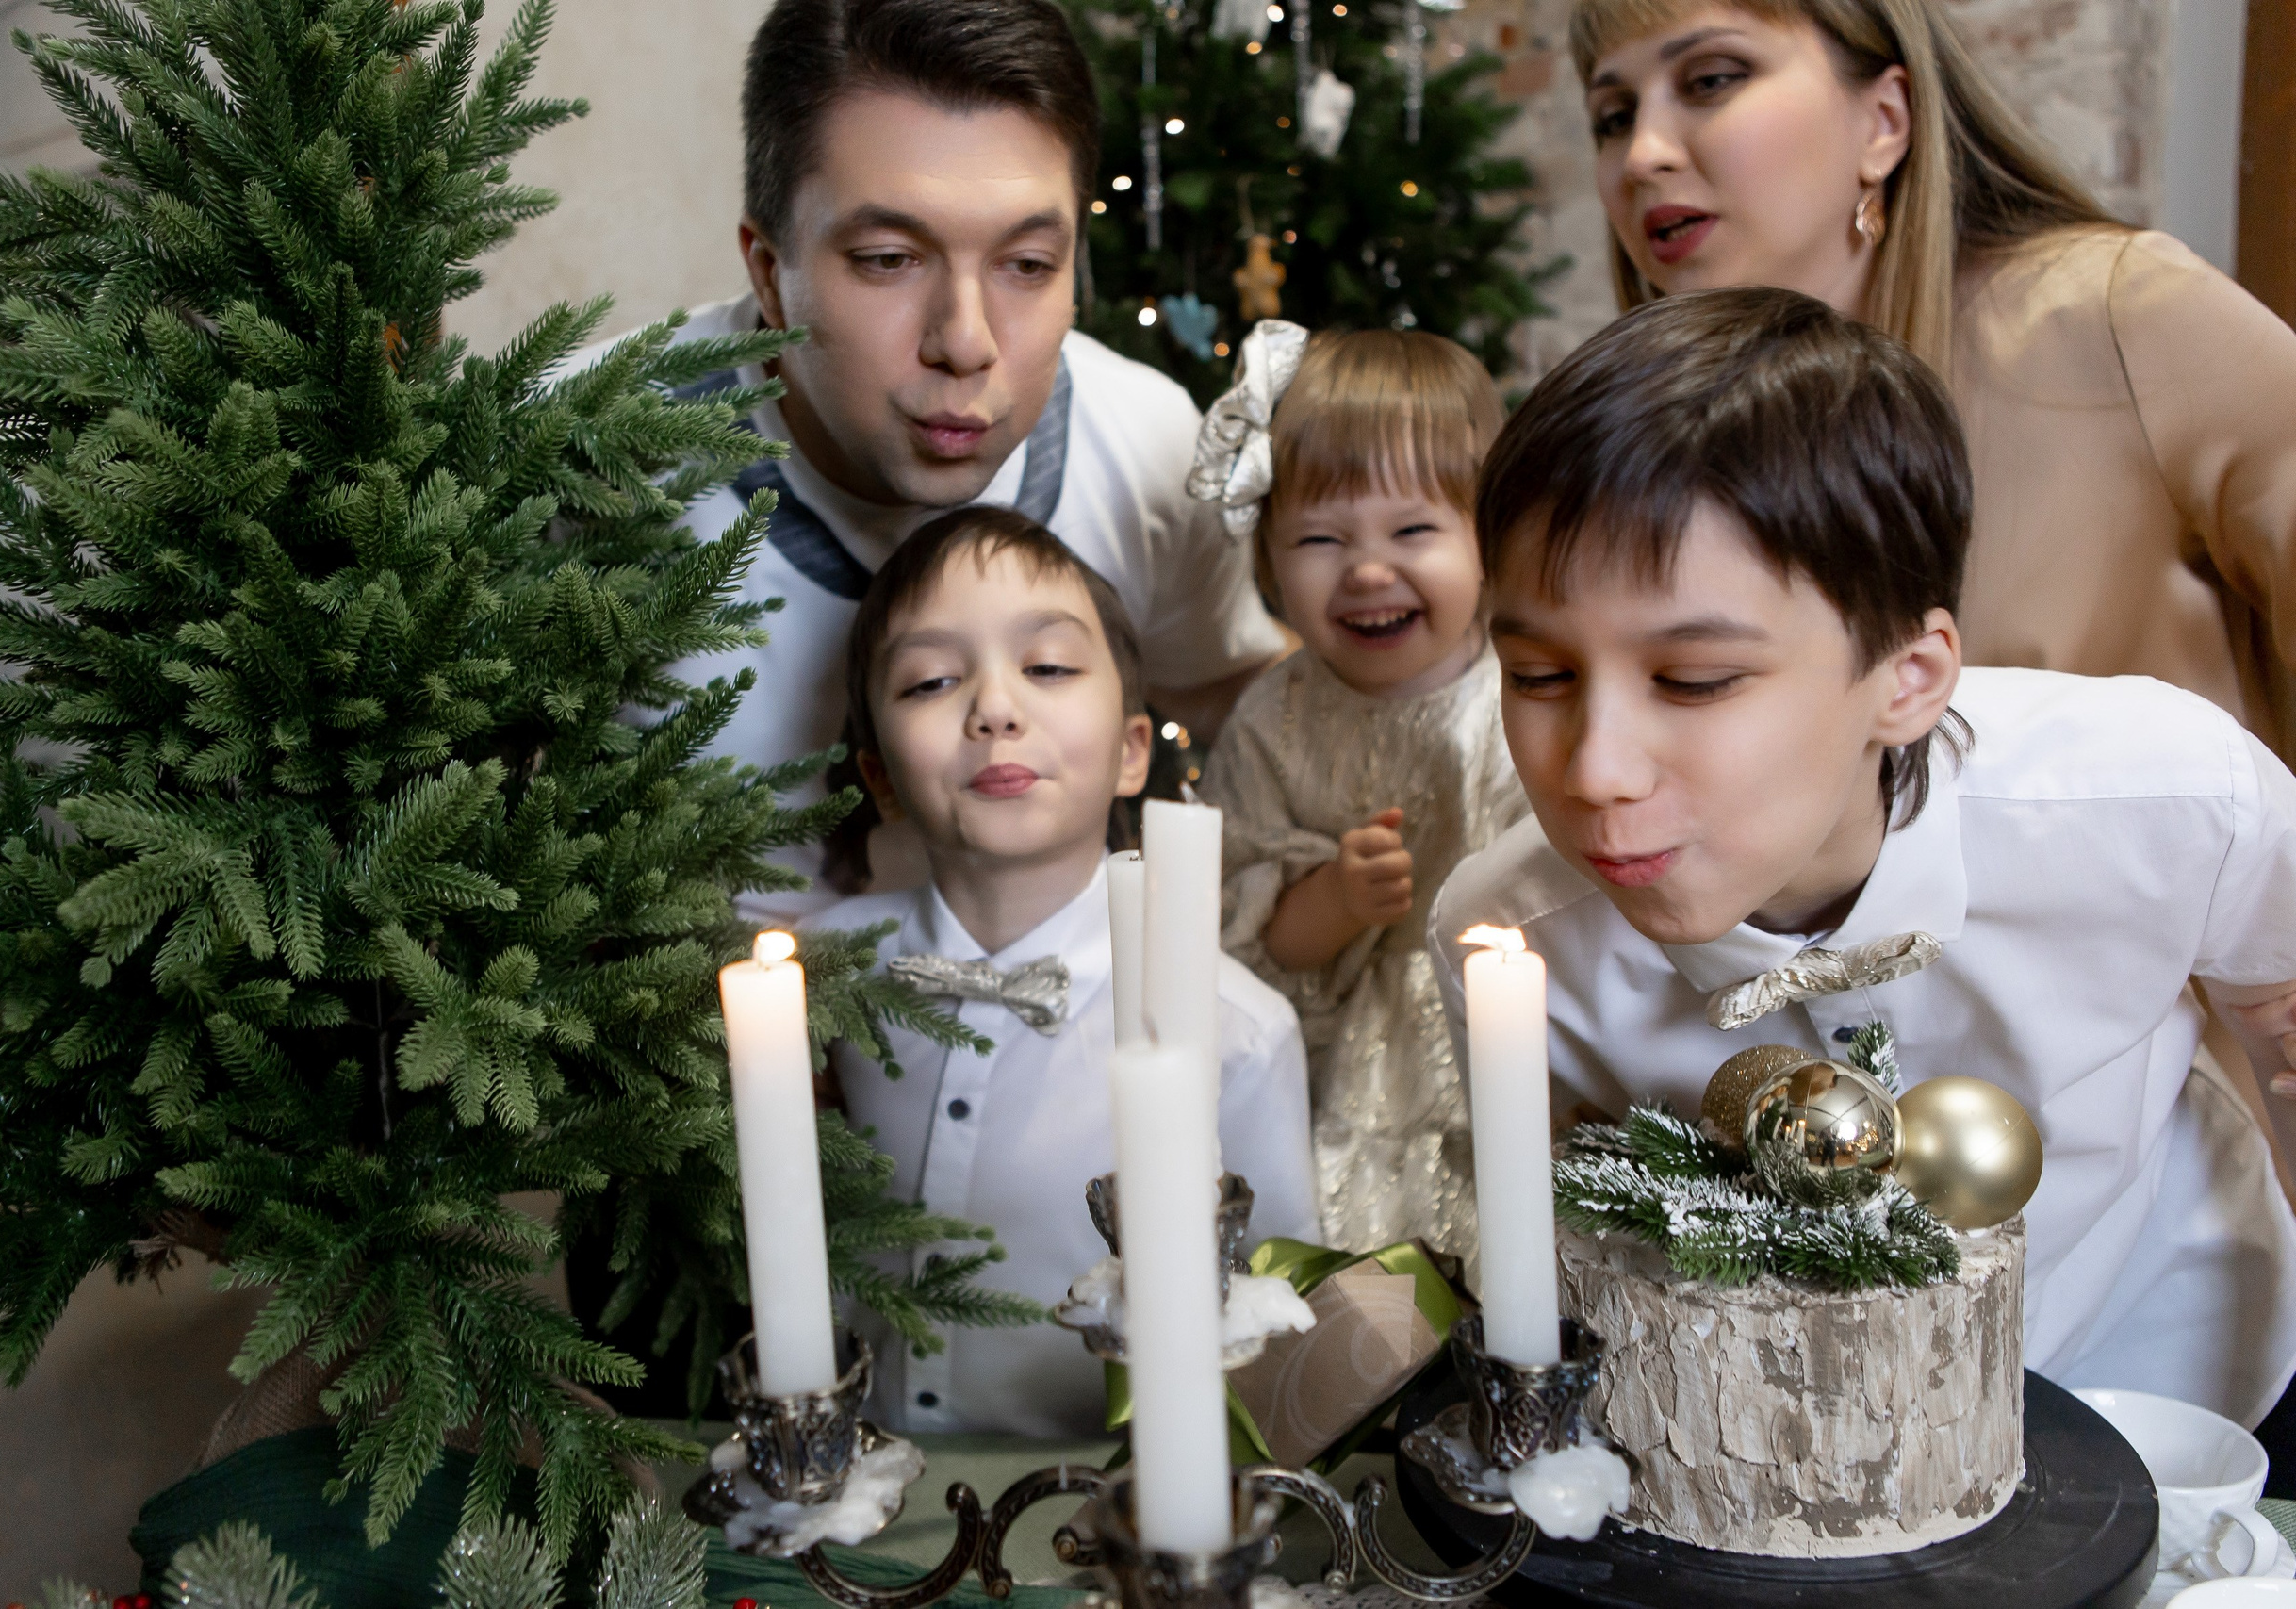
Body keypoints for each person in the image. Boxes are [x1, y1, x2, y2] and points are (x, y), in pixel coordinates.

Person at [1427, 287, 2296, 1432]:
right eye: (1539, 676)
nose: (1595, 770)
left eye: (1692, 680)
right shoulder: (1511, 947)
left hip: (2171, 1390)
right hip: (1779, 1448)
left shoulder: (2167, 802)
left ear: (1908, 677)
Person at [663, 0, 1285, 920]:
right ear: (768, 270)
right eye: (888, 259)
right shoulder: (589, 458)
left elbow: (1248, 704)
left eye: (1027, 265)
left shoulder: (1148, 445)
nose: (965, 341)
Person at [1567, 0, 2296, 768]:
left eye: (1711, 79)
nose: (1642, 154)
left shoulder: (2122, 316)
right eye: (1613, 117)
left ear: (1884, 120)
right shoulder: (1661, 446)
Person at [805, 506, 1318, 1437]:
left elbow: (1280, 1335)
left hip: (1101, 1496)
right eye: (932, 680)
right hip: (862, 1474)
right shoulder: (812, 983)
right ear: (880, 778)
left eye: (1046, 667)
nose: (995, 708)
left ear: (1130, 751)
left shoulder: (1237, 1031)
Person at [1192, 322, 1530, 1261]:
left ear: (1486, 537)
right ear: (1268, 560)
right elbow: (1235, 954)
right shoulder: (1274, 722)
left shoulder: (1520, 696)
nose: (1369, 570)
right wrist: (1334, 901)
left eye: (1413, 530)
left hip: (1496, 1067)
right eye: (1320, 539)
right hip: (1323, 1076)